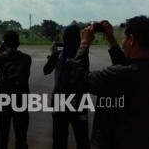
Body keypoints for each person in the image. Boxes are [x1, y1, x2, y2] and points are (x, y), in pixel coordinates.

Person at [70, 17, 149, 148]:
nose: (122, 44)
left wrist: (84, 44)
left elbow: (79, 80)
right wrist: (111, 41)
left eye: (123, 39)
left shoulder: (119, 75)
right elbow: (128, 67)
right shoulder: (134, 72)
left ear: (131, 40)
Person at [43, 24, 89, 149]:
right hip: (80, 102)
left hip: (60, 101)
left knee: (59, 139)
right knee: (82, 139)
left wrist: (52, 54)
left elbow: (46, 70)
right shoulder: (83, 54)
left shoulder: (58, 54)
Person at [0, 30, 31, 149]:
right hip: (21, 99)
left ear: (5, 43)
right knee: (21, 135)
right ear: (18, 43)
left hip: (4, 98)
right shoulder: (27, 58)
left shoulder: (0, 57)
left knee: (3, 134)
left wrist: (0, 50)